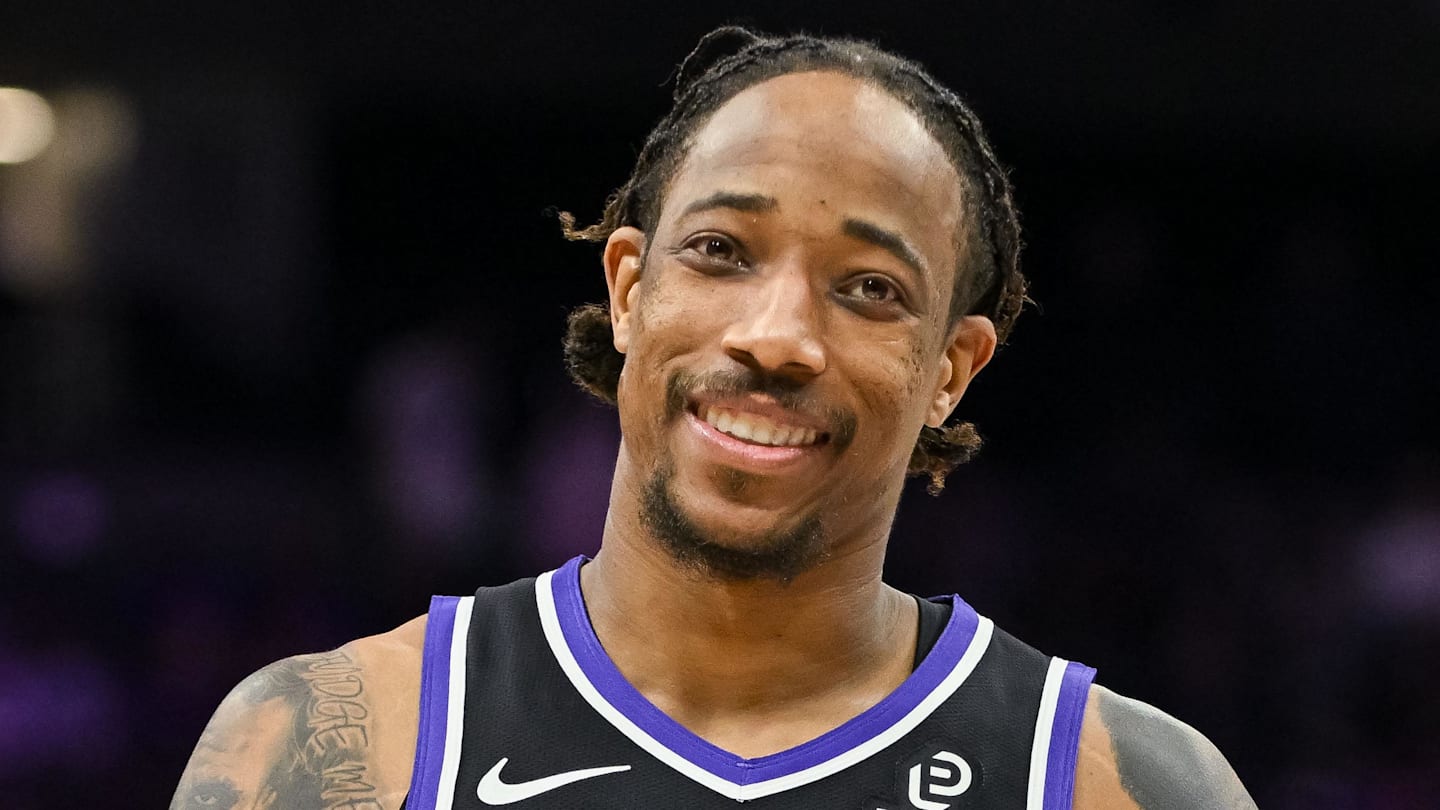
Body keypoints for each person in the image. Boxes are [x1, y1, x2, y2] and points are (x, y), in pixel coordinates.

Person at [172, 26, 1257, 810]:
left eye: (871, 287)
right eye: (722, 252)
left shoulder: (1123, 784)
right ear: (630, 290)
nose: (779, 335)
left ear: (952, 370)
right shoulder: (324, 750)